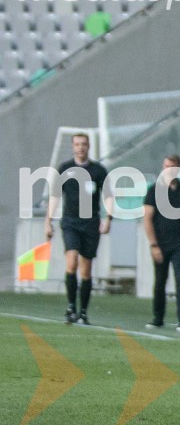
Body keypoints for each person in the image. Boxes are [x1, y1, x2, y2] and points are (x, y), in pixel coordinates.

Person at [45, 133, 112, 325]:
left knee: (86, 269)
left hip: (90, 223)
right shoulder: (65, 169)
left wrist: (108, 218)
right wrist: (47, 221)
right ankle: (70, 306)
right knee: (72, 261)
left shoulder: (98, 171)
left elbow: (108, 196)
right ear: (73, 147)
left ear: (89, 146)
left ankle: (83, 312)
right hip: (70, 222)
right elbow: (55, 196)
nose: (80, 147)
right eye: (77, 144)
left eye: (83, 144)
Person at [143, 154, 180, 332]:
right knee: (160, 280)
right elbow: (148, 218)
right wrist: (153, 245)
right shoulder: (154, 190)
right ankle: (157, 318)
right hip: (161, 243)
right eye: (165, 166)